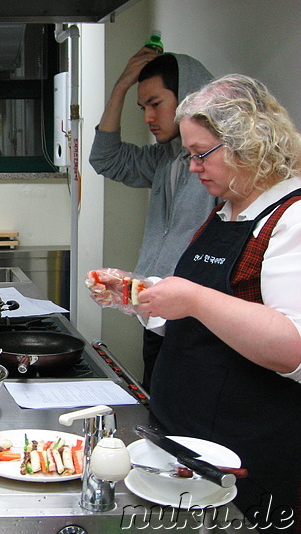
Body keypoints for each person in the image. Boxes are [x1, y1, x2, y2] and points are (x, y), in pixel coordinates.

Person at [94, 74, 301, 532]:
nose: (192, 168)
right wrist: (137, 294)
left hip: (245, 448)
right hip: (183, 435)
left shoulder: (292, 219)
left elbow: (292, 349)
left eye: (200, 154)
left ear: (251, 144)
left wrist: (193, 297)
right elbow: (203, 316)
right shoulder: (226, 209)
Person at [89, 49, 217, 392]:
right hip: (156, 318)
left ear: (190, 98)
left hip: (199, 327)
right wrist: (120, 86)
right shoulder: (165, 159)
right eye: (142, 107)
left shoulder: (220, 169)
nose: (148, 118)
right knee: (157, 412)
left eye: (155, 104)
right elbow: (105, 158)